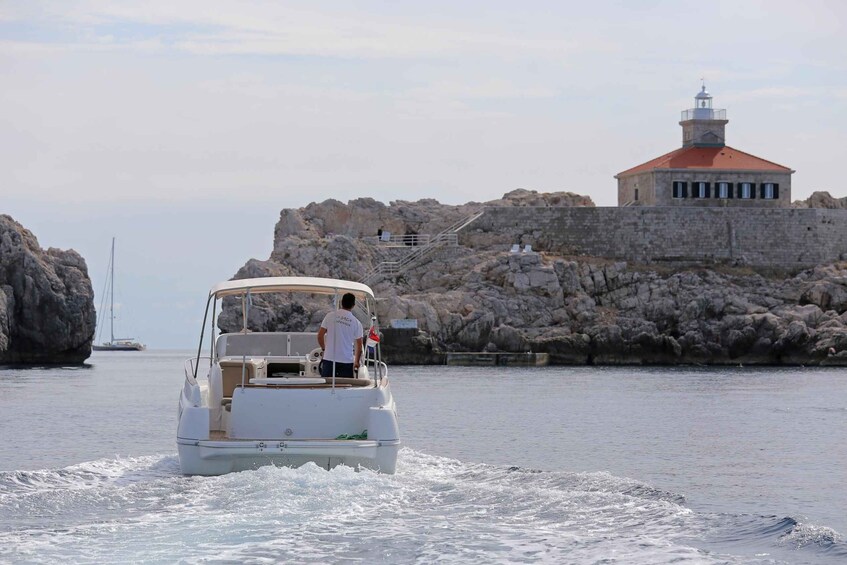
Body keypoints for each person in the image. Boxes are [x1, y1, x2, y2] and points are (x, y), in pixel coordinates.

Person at [317, 293, 363, 378]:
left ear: (341, 302)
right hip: (346, 361)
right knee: (345, 388)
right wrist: (356, 361)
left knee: (326, 387)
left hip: (329, 359)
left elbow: (320, 336)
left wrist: (324, 349)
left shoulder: (329, 316)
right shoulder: (356, 323)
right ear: (353, 305)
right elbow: (359, 346)